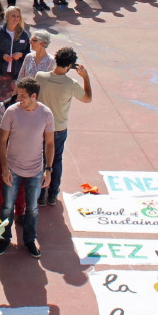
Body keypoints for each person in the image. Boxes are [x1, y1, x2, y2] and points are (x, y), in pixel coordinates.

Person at [0, 77, 55, 258]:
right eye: (17, 94)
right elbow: (2, 141)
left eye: (22, 95)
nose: (18, 98)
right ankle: (4, 239)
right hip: (12, 169)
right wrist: (4, 169)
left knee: (32, 209)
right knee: (6, 207)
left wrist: (48, 169)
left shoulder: (46, 114)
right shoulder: (11, 112)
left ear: (33, 95)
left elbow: (50, 143)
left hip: (35, 171)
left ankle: (29, 240)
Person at [34, 46, 92, 206]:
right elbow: (87, 98)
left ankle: (40, 194)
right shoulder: (71, 84)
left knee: (40, 159)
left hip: (41, 127)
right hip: (59, 128)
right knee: (56, 160)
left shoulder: (40, 76)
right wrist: (85, 78)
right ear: (70, 66)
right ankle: (52, 194)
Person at [0, 6, 30, 99]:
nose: (16, 19)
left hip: (16, 74)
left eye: (18, 16)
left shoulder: (24, 35)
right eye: (13, 16)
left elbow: (28, 53)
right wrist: (2, 56)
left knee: (12, 100)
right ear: (7, 17)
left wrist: (21, 55)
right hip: (0, 72)